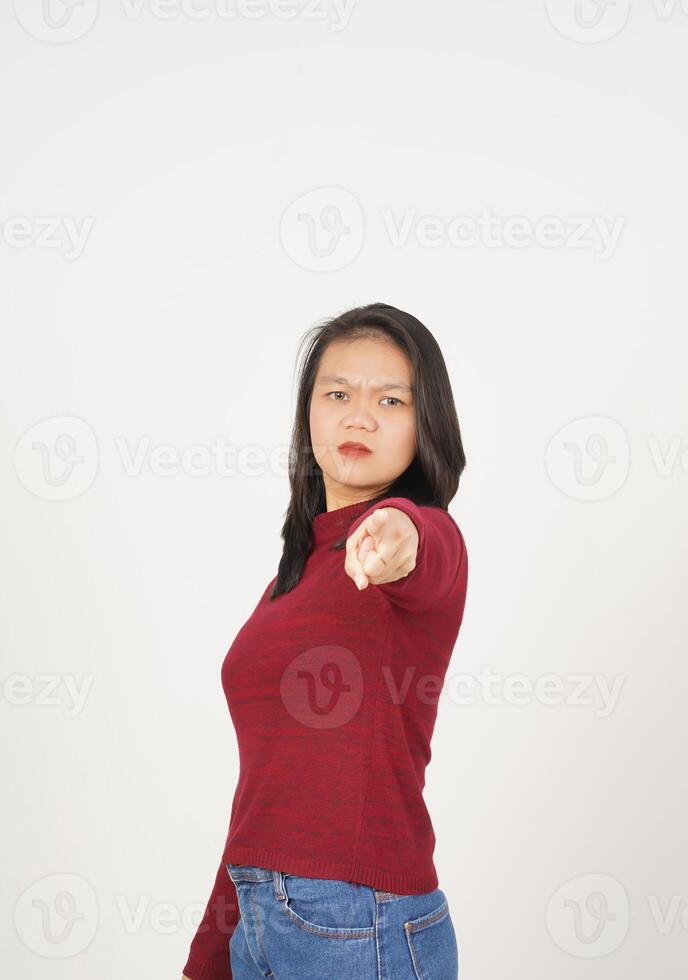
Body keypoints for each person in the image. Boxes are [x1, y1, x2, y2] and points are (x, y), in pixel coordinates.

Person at [180, 302, 469, 979]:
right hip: (258, 922)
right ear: (307, 412)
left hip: (357, 922)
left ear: (425, 422)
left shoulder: (425, 537)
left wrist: (396, 530)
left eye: (390, 399)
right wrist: (209, 953)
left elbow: (420, 546)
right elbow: (266, 789)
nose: (358, 415)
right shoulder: (294, 575)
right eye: (337, 393)